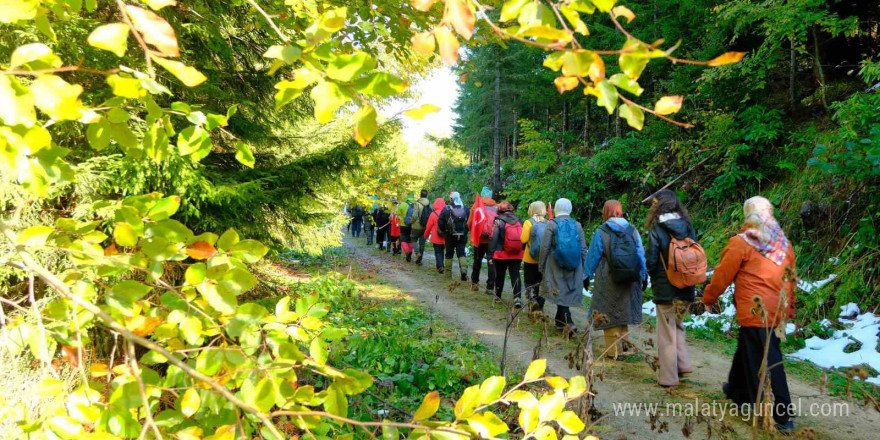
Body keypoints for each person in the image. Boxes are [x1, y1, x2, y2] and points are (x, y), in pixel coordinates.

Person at [702, 196, 797, 432]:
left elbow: (722, 275)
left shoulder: (741, 242)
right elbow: (791, 278)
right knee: (748, 346)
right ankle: (738, 390)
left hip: (756, 310)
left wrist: (709, 297)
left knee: (768, 359)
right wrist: (789, 307)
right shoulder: (783, 244)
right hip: (776, 307)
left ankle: (781, 415)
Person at [645, 189, 697, 387]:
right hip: (687, 286)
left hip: (666, 288)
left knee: (666, 331)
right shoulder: (688, 226)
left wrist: (654, 280)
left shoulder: (658, 229)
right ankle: (683, 365)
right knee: (677, 325)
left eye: (654, 203)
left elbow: (651, 260)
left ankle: (668, 378)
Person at [583, 200, 646, 358]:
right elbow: (640, 253)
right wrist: (643, 275)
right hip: (630, 276)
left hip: (608, 277)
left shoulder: (601, 231)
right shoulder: (632, 230)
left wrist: (586, 275)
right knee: (624, 310)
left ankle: (613, 351)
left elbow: (593, 256)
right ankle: (624, 346)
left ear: (605, 212)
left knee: (608, 311)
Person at [539, 199, 587, 335]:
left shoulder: (551, 224)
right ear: (570, 209)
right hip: (574, 264)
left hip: (555, 264)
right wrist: (585, 267)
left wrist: (541, 265)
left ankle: (569, 322)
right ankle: (560, 322)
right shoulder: (577, 225)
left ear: (556, 209)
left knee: (559, 290)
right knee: (565, 292)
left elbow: (545, 247)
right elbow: (583, 248)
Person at [489, 202, 524, 306]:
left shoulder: (498, 220)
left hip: (501, 254)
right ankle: (517, 297)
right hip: (517, 253)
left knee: (499, 275)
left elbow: (494, 237)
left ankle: (498, 297)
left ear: (499, 210)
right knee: (516, 275)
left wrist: (491, 254)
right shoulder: (519, 219)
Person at [468, 187, 498, 294]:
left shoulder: (476, 207)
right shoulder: (497, 207)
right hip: (492, 240)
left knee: (477, 261)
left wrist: (474, 233)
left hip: (479, 240)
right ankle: (490, 287)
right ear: (490, 196)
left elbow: (470, 223)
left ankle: (475, 283)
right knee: (491, 262)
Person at [521, 201, 547, 312]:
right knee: (540, 282)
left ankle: (532, 301)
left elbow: (523, 239)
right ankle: (540, 306)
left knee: (529, 281)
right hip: (543, 259)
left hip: (529, 258)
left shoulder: (528, 222)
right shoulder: (548, 222)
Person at [438, 191, 470, 281]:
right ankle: (464, 270)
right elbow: (470, 223)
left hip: (449, 235)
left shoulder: (446, 209)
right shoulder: (466, 209)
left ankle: (448, 275)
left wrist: (444, 231)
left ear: (451, 199)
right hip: (462, 235)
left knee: (449, 254)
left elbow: (440, 222)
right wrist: (465, 231)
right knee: (461, 253)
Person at [423, 197, 447, 273]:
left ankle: (440, 266)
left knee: (437, 252)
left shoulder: (433, 214)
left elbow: (428, 226)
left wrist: (425, 235)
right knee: (442, 251)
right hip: (444, 237)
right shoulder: (446, 213)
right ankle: (441, 265)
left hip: (436, 237)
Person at [410, 190, 431, 266]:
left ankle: (417, 252)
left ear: (420, 195)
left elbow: (415, 216)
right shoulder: (429, 204)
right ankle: (419, 260)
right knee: (422, 243)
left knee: (413, 239)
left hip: (416, 226)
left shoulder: (417, 203)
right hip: (425, 226)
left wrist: (411, 222)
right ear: (427, 195)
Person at [398, 194, 415, 261]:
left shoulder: (403, 204)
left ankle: (407, 252)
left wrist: (401, 219)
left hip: (403, 225)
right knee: (410, 240)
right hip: (412, 225)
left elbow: (397, 213)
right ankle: (410, 253)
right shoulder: (415, 204)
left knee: (403, 239)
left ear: (407, 197)